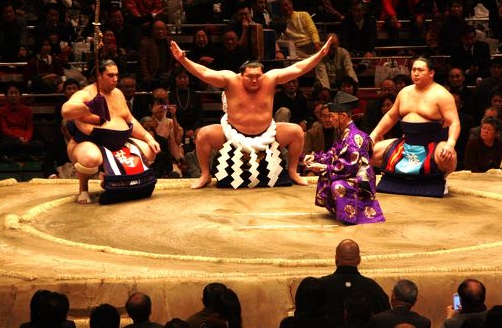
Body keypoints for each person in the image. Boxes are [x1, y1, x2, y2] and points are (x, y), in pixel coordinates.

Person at [169, 37, 332, 189]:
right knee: (203, 135)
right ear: (241, 75)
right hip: (232, 135)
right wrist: (183, 60)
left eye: (258, 77)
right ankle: (205, 175)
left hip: (267, 135)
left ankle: (292, 171)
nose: (255, 80)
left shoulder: (271, 79)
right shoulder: (230, 80)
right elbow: (204, 72)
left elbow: (297, 68)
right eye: (250, 77)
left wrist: (319, 55)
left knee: (296, 132)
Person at [61, 59, 160, 204]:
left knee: (149, 150)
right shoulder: (86, 93)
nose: (115, 79)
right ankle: (83, 189)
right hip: (88, 141)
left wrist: (148, 137)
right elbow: (66, 111)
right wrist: (90, 106)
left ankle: (114, 181)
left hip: (118, 141)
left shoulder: (118, 93)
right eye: (110, 75)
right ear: (99, 75)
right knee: (91, 158)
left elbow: (129, 119)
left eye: (117, 75)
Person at [370, 57, 460, 197]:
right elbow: (391, 116)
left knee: (448, 157)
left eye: (420, 70)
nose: (416, 73)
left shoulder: (442, 94)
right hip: (406, 144)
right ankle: (392, 177)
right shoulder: (404, 92)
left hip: (432, 145)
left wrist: (450, 143)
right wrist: (374, 134)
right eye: (413, 70)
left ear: (431, 73)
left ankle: (439, 179)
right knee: (369, 151)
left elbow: (454, 122)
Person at [304, 92, 385, 224]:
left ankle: (351, 215)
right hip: (350, 173)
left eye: (332, 116)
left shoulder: (354, 137)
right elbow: (333, 154)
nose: (330, 120)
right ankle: (339, 210)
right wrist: (314, 157)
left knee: (337, 185)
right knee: (326, 176)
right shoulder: (342, 132)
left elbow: (348, 167)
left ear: (343, 116)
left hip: (361, 179)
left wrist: (323, 167)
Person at [319, 239, 390, 325]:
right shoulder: (372, 287)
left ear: (336, 258)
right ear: (359, 260)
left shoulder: (320, 286)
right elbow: (385, 318)